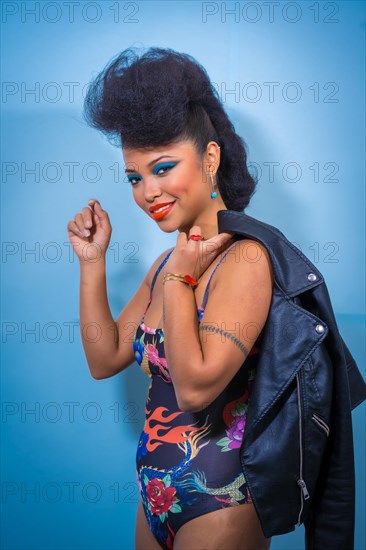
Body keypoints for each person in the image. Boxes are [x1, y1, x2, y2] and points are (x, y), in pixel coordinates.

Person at [67, 47, 275, 550]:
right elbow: (104, 358)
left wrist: (181, 284)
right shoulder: (165, 264)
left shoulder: (246, 261)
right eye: (135, 177)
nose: (147, 192)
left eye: (162, 168)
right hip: (154, 498)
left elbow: (196, 391)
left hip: (222, 501)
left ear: (209, 159)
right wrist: (92, 262)